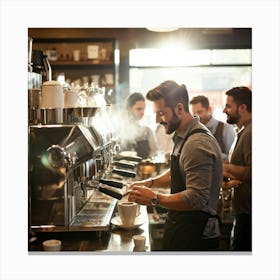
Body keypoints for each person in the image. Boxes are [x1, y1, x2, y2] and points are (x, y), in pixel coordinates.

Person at [126, 80, 223, 251]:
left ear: (179, 108)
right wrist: (148, 183)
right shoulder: (183, 136)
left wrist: (154, 198)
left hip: (195, 236)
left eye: (161, 113)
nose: (157, 120)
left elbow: (197, 198)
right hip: (182, 227)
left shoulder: (197, 143)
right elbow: (177, 173)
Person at [222, 86, 252, 251]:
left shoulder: (251, 132)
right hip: (242, 212)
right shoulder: (243, 131)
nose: (224, 110)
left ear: (242, 108)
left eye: (228, 106)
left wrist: (224, 168)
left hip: (248, 215)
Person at [190, 95, 236, 160]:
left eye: (200, 112)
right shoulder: (193, 130)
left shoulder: (226, 128)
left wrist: (211, 154)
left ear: (209, 109)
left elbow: (232, 157)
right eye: (194, 114)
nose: (197, 117)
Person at [119, 92, 157, 159]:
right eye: (139, 109)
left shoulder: (147, 131)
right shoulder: (120, 131)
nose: (142, 112)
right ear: (129, 108)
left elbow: (154, 152)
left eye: (143, 109)